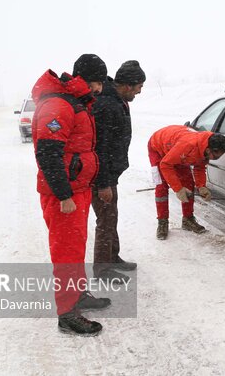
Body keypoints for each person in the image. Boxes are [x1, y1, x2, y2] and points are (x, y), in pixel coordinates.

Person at [31, 54, 112, 335]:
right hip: (63, 195)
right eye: (97, 83)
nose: (100, 89)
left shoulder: (77, 103)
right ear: (82, 79)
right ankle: (67, 314)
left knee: (75, 250)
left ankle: (77, 295)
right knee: (66, 254)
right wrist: (63, 193)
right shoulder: (58, 105)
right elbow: (48, 153)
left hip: (77, 191)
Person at [91, 60, 146, 280]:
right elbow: (101, 148)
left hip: (109, 173)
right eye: (139, 86)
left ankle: (112, 257)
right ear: (128, 84)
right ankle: (102, 270)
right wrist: (103, 183)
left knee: (111, 215)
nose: (140, 91)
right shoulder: (107, 104)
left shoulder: (116, 100)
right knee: (105, 219)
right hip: (101, 176)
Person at [147, 125, 225, 239]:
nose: (216, 159)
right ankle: (162, 222)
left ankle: (188, 219)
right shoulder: (188, 145)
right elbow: (165, 164)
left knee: (188, 184)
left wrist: (201, 186)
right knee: (161, 185)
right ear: (208, 149)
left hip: (177, 152)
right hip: (158, 148)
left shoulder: (205, 148)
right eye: (216, 156)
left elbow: (200, 167)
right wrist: (178, 189)